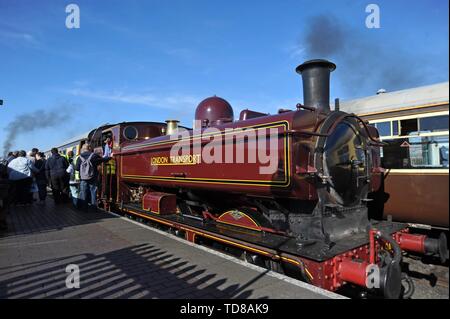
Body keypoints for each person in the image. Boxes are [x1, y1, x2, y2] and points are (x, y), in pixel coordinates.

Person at [75, 143, 111, 212]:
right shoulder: (94, 155)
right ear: (89, 148)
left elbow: (76, 168)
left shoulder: (80, 157)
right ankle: (93, 208)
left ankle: (84, 208)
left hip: (83, 178)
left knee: (83, 192)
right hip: (93, 177)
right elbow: (103, 160)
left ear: (83, 149)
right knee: (93, 192)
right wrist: (110, 157)